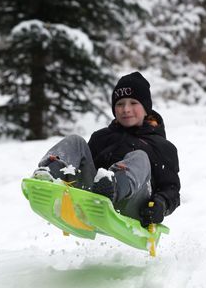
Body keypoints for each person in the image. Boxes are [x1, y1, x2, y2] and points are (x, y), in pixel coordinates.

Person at [32, 71, 180, 227]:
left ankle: (113, 186)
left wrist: (161, 204)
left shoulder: (162, 146)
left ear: (146, 108)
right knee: (75, 141)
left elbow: (171, 188)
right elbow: (84, 166)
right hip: (95, 200)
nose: (126, 109)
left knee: (140, 157)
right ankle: (50, 173)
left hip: (134, 206)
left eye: (133, 103)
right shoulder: (101, 137)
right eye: (120, 104)